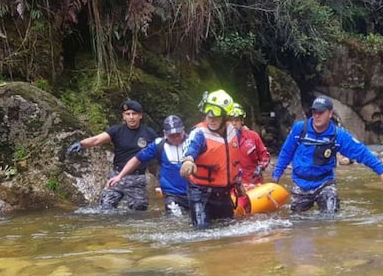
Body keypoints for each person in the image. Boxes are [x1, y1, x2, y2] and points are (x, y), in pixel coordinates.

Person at [271, 94, 383, 213]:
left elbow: (361, 152)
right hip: (300, 184)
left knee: (330, 217)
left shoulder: (338, 135)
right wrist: (276, 176)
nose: (317, 116)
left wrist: (382, 171)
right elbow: (286, 152)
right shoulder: (300, 129)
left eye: (321, 112)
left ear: (330, 113)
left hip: (325, 183)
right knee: (298, 222)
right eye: (314, 112)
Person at [66, 99, 157, 211]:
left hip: (137, 179)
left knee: (139, 211)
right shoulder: (117, 130)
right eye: (128, 114)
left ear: (140, 116)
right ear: (123, 116)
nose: (131, 117)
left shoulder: (148, 133)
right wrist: (81, 143)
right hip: (116, 177)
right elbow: (97, 140)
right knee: (105, 208)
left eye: (134, 114)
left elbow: (160, 150)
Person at [180, 89, 245, 229]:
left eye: (216, 117)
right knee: (202, 233)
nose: (211, 120)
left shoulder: (234, 133)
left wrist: (238, 182)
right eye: (209, 116)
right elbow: (190, 148)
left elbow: (235, 162)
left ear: (225, 117)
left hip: (224, 193)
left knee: (228, 231)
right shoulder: (199, 133)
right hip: (201, 193)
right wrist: (188, 160)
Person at [107, 115, 188, 214]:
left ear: (183, 130)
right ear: (164, 133)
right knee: (175, 222)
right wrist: (120, 176)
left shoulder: (194, 142)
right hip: (172, 194)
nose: (176, 138)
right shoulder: (158, 145)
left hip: (195, 192)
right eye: (171, 135)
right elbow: (137, 159)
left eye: (178, 134)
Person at [228, 103, 271, 185]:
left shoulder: (253, 136)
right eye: (230, 120)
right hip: (233, 185)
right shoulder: (222, 140)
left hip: (253, 182)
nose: (233, 123)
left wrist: (261, 166)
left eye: (236, 120)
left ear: (242, 121)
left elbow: (265, 155)